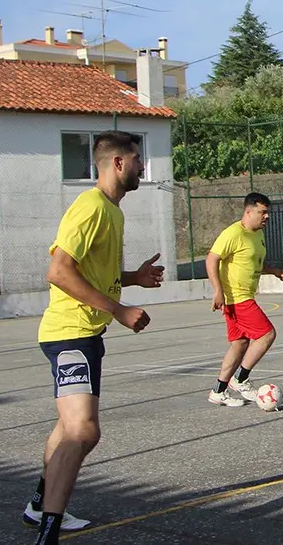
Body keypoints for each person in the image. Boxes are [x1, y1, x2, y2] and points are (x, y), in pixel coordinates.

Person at [26, 131, 163, 544]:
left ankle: (39, 505)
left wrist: (133, 280)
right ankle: (48, 530)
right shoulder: (90, 208)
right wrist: (119, 310)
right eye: (137, 159)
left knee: (68, 428)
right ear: (118, 163)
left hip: (83, 335)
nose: (142, 166)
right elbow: (60, 271)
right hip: (70, 334)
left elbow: (90, 273)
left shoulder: (112, 211)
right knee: (83, 431)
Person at [206, 192, 283, 407]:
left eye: (267, 213)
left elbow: (254, 264)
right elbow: (212, 259)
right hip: (237, 298)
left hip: (242, 297)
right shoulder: (233, 233)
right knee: (267, 334)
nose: (266, 217)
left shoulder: (257, 234)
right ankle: (240, 380)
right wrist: (218, 290)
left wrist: (274, 271)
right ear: (248, 211)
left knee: (240, 345)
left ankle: (218, 391)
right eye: (262, 212)